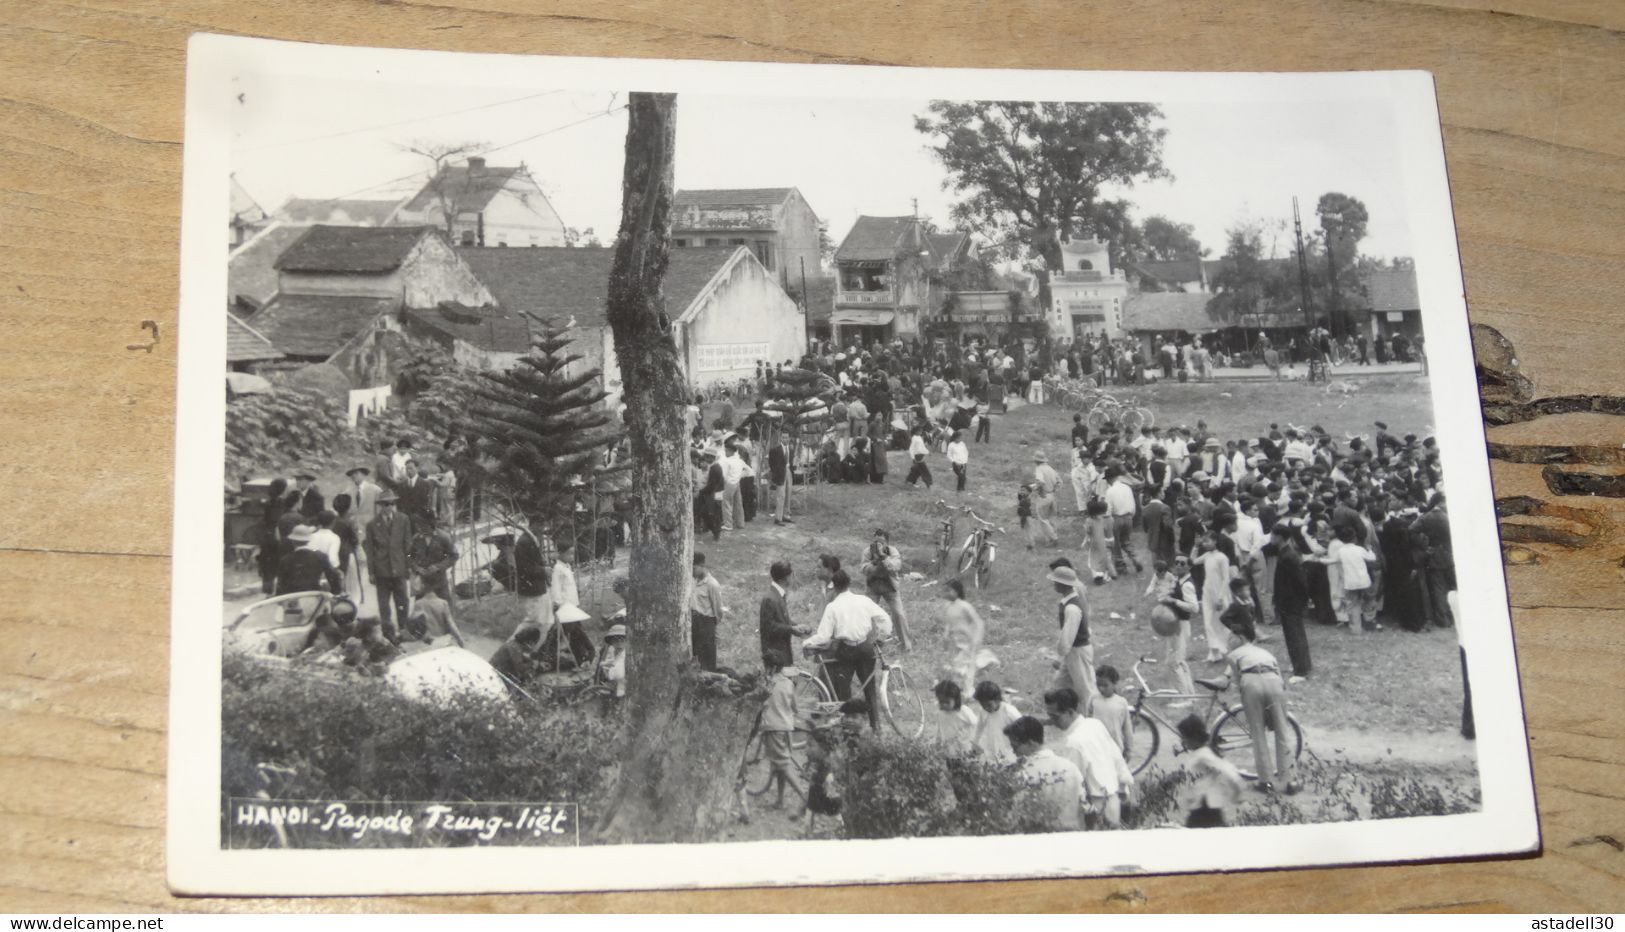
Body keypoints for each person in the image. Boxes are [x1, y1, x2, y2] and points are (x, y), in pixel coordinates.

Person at [1222, 603, 1298, 795]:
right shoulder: (1266, 653)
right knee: (1282, 731)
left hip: (1251, 682)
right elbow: (1280, 680)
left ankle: (1266, 781)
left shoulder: (1234, 655)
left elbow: (1238, 683)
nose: (1230, 640)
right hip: (1273, 680)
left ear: (1239, 638)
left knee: (1258, 733)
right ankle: (1290, 781)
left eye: (1232, 637)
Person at [803, 569, 892, 730]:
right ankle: (876, 726)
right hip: (865, 648)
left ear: (834, 587)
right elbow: (885, 618)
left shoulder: (832, 607)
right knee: (869, 688)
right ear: (849, 583)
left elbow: (823, 636)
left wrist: (807, 643)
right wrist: (881, 638)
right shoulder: (863, 600)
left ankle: (847, 726)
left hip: (846, 651)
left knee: (844, 690)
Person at [1045, 687, 1132, 829]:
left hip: (1095, 808)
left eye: (1055, 717)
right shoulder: (1094, 724)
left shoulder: (1074, 742)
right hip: (1113, 800)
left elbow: (1071, 785)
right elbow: (1118, 760)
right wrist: (1124, 792)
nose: (1052, 722)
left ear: (1069, 712)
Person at [1006, 715, 1086, 831]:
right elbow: (1084, 805)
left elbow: (1017, 816)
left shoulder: (1024, 773)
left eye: (1015, 746)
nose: (1013, 751)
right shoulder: (1071, 767)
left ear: (1031, 743)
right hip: (1073, 835)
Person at [758, 647, 809, 811]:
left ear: (771, 667)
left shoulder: (768, 684)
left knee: (783, 765)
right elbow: (795, 708)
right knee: (779, 764)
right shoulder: (788, 683)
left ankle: (805, 797)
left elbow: (761, 705)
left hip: (774, 728)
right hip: (787, 728)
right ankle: (780, 800)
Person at [1175, 715, 1246, 827]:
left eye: (1184, 737)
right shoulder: (1200, 753)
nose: (1182, 741)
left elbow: (1227, 770)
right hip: (1204, 804)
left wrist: (1238, 791)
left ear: (1195, 737)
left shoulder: (1204, 755)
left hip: (1206, 805)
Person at [363, 492, 413, 642]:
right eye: (385, 504)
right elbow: (370, 551)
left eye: (392, 504)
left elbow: (408, 545)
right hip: (382, 571)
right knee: (384, 604)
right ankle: (388, 634)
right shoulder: (372, 525)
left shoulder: (403, 520)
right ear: (380, 506)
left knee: (402, 601)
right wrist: (371, 572)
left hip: (399, 568)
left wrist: (408, 566)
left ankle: (403, 629)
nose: (389, 507)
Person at [1047, 565, 1097, 701]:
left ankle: (1092, 718)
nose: (1054, 584)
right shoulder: (1070, 602)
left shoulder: (1072, 608)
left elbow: (1067, 637)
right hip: (1073, 651)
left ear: (1063, 585)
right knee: (1059, 684)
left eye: (1056, 582)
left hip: (1078, 651)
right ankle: (1065, 714)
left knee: (1085, 690)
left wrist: (1059, 656)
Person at [1270, 525, 1312, 682]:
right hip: (1290, 600)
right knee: (1296, 633)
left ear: (1280, 537)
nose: (1270, 538)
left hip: (1291, 601)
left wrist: (1303, 599)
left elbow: (1300, 581)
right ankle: (1303, 665)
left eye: (1273, 535)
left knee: (1293, 634)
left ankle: (1301, 671)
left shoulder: (1288, 556)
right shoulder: (1286, 553)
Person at [860, 529, 912, 652]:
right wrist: (874, 564)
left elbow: (896, 567)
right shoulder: (868, 551)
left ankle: (906, 647)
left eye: (881, 542)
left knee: (899, 614)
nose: (878, 545)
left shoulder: (893, 551)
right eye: (876, 542)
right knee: (867, 615)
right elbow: (862, 568)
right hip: (873, 586)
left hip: (890, 586)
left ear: (887, 542)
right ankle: (866, 646)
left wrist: (884, 558)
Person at [759, 559, 808, 668]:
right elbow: (769, 627)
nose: (792, 577)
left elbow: (781, 620)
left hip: (781, 652)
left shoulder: (778, 595)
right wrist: (791, 629)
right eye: (791, 574)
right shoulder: (770, 598)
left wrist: (796, 627)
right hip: (775, 655)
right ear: (784, 578)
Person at [940, 579, 986, 694]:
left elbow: (978, 622)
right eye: (945, 591)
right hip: (956, 640)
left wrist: (977, 638)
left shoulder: (965, 606)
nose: (946, 593)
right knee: (956, 664)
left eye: (949, 590)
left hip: (968, 640)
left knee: (967, 665)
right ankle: (958, 688)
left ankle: (968, 690)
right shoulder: (947, 607)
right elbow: (948, 623)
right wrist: (946, 635)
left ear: (957, 591)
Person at [1334, 524, 1379, 633]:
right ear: (1354, 538)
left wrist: (1321, 560)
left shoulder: (1340, 551)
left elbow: (1333, 560)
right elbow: (1372, 558)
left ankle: (1355, 628)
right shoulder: (1359, 549)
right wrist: (1370, 550)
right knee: (1369, 600)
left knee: (1353, 604)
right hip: (1364, 581)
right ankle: (1370, 622)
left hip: (1350, 582)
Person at [275, 525, 343, 596]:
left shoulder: (285, 560)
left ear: (293, 541)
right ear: (308, 540)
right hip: (313, 596)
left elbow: (281, 584)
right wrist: (336, 592)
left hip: (292, 599)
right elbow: (332, 575)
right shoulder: (320, 556)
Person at [1197, 533, 1233, 662]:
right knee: (1208, 622)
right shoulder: (1207, 556)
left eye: (1207, 541)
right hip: (1207, 591)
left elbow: (1226, 578)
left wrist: (1221, 597)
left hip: (1219, 593)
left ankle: (1222, 648)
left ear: (1215, 541)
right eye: (1203, 542)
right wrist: (1195, 548)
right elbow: (1192, 562)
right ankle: (1213, 652)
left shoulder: (1222, 558)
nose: (1204, 544)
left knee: (1220, 622)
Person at [1089, 665, 1135, 762]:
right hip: (1096, 746)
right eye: (1098, 685)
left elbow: (1127, 728)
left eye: (1105, 685)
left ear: (1114, 684)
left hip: (1115, 747)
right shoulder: (1094, 699)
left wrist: (1129, 750)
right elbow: (1087, 721)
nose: (1101, 689)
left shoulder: (1121, 702)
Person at [411, 515, 459, 605]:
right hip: (422, 582)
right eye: (419, 525)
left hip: (439, 582)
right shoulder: (416, 539)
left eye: (422, 525)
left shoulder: (443, 537)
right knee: (421, 612)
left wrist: (438, 567)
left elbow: (454, 556)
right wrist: (416, 568)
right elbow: (409, 556)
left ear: (430, 525)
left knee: (444, 608)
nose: (419, 528)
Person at [405, 578, 467, 648]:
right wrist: (459, 639)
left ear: (422, 587)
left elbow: (412, 625)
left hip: (427, 643)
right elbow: (451, 624)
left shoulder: (418, 604)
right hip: (442, 640)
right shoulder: (443, 603)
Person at [690, 552, 725, 672]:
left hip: (706, 624)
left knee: (707, 658)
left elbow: (718, 611)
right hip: (694, 623)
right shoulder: (693, 581)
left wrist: (711, 627)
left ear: (702, 566)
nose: (692, 572)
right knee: (695, 657)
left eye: (693, 568)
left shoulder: (712, 584)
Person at [489, 625, 541, 698]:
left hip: (497, 672)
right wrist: (532, 664)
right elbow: (520, 668)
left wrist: (530, 661)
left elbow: (519, 658)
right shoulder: (515, 648)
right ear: (530, 641)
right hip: (497, 676)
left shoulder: (513, 644)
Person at [930, 679, 979, 755]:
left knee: (964, 764)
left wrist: (967, 735)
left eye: (947, 702)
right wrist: (937, 742)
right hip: (948, 748)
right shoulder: (940, 713)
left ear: (956, 700)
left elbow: (976, 724)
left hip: (964, 747)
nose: (943, 705)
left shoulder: (964, 711)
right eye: (941, 702)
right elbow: (939, 730)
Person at [1029, 452, 1060, 545]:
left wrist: (1035, 488)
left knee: (1042, 518)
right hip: (1052, 495)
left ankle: (1053, 538)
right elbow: (1059, 482)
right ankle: (1050, 539)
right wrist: (1053, 490)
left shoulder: (1039, 469)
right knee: (1050, 518)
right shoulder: (1050, 468)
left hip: (1044, 495)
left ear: (1036, 460)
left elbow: (1041, 482)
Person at [1080, 499, 1114, 584]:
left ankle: (1097, 576)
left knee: (1094, 559)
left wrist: (1085, 541)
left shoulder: (1089, 521)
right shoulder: (1106, 519)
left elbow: (1088, 532)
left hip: (1095, 543)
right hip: (1107, 542)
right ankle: (1105, 575)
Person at [697, 447, 725, 541]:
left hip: (715, 493)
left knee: (712, 513)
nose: (705, 459)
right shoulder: (714, 467)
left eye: (707, 457)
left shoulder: (715, 468)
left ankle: (716, 533)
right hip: (715, 492)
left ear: (712, 457)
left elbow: (712, 485)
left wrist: (703, 491)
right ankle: (713, 530)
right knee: (710, 512)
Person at [767, 430, 793, 525]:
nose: (785, 439)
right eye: (783, 437)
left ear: (789, 439)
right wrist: (775, 474)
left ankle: (785, 515)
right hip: (780, 474)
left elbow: (791, 461)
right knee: (780, 496)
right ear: (780, 438)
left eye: (787, 437)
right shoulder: (775, 450)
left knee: (788, 494)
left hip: (788, 472)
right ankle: (778, 518)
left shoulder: (790, 449)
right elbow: (771, 463)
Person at [597, 623, 628, 698]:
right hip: (615, 686)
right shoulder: (614, 652)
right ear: (612, 642)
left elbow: (619, 674)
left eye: (622, 640)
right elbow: (612, 663)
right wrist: (603, 665)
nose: (619, 644)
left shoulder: (627, 655)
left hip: (624, 688)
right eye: (616, 641)